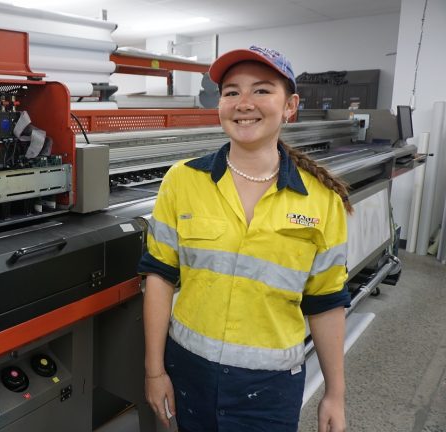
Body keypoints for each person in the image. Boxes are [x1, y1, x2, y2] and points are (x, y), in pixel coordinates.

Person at [138, 45, 352, 432]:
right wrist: (154, 372)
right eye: (232, 91)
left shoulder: (324, 202)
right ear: (219, 104)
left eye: (262, 90)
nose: (244, 103)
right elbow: (159, 277)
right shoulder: (183, 181)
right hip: (188, 370)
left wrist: (335, 393)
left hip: (269, 385)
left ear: (290, 105)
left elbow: (326, 303)